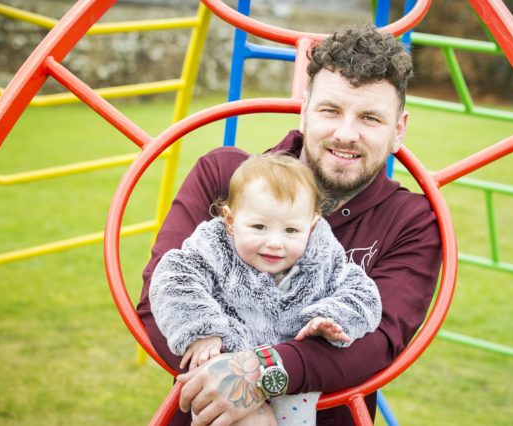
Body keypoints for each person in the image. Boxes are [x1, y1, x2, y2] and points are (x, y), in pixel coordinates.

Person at [139, 24, 442, 425]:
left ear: (398, 129)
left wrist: (257, 376)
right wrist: (238, 388)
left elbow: (378, 341)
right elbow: (159, 297)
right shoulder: (224, 177)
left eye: (370, 118)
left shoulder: (412, 222)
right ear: (304, 110)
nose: (346, 134)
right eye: (330, 110)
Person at [149, 154, 382, 425]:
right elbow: (173, 277)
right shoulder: (215, 247)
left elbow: (362, 294)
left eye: (291, 230)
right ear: (231, 221)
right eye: (259, 227)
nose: (274, 242)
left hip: (291, 380)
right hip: (227, 366)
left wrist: (331, 317)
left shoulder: (321, 255)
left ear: (312, 225)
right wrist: (202, 331)